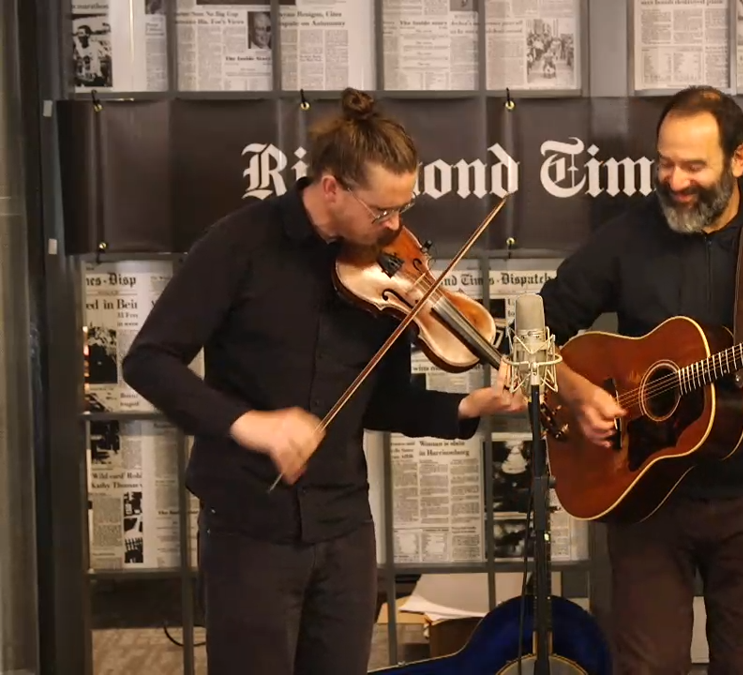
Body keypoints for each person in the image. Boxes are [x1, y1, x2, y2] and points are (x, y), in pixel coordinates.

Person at [121, 87, 525, 675]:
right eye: (381, 211)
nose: (394, 227)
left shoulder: (378, 270)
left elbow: (382, 399)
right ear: (332, 186)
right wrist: (249, 424)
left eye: (401, 210)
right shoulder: (238, 244)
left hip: (344, 531)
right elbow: (148, 360)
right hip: (248, 530)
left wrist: (465, 410)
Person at [538, 86, 743, 674]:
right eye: (665, 163)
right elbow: (536, 328)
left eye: (694, 166)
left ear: (740, 159)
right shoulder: (628, 236)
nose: (675, 181)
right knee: (647, 666)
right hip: (644, 490)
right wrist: (576, 390)